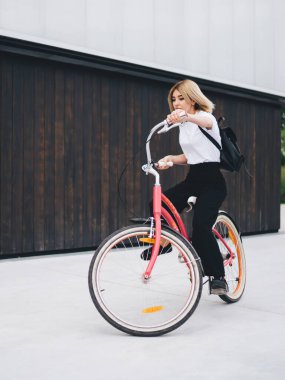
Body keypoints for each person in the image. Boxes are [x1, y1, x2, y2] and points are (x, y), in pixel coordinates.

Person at [142, 79, 228, 295]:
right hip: (194, 179)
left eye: (181, 98)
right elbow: (191, 156)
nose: (177, 102)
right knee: (157, 202)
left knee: (200, 228)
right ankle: (164, 242)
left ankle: (218, 277)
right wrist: (169, 159)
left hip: (213, 182)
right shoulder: (185, 125)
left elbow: (204, 123)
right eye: (173, 99)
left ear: (193, 99)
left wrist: (186, 117)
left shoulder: (205, 117)